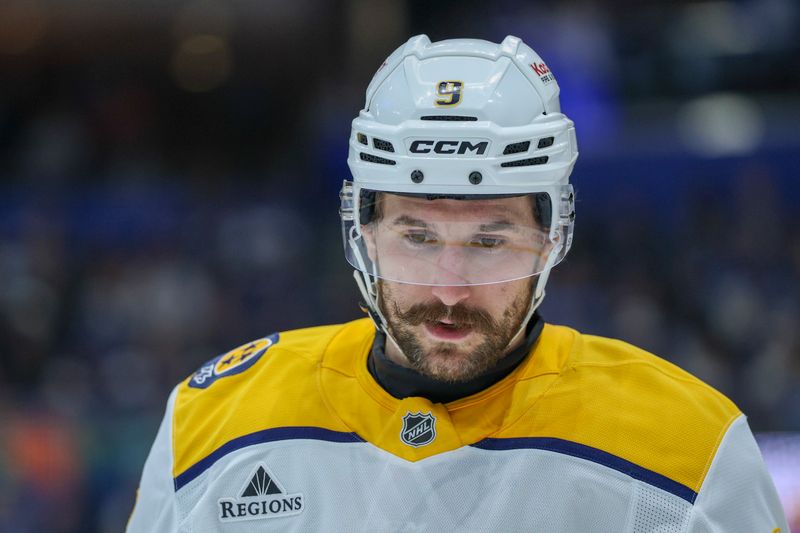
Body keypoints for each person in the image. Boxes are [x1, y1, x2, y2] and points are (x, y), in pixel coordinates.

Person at [127, 35, 788, 532]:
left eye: (489, 241)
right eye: (416, 237)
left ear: (553, 234)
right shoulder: (210, 426)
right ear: (363, 230)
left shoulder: (691, 449)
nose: (449, 288)